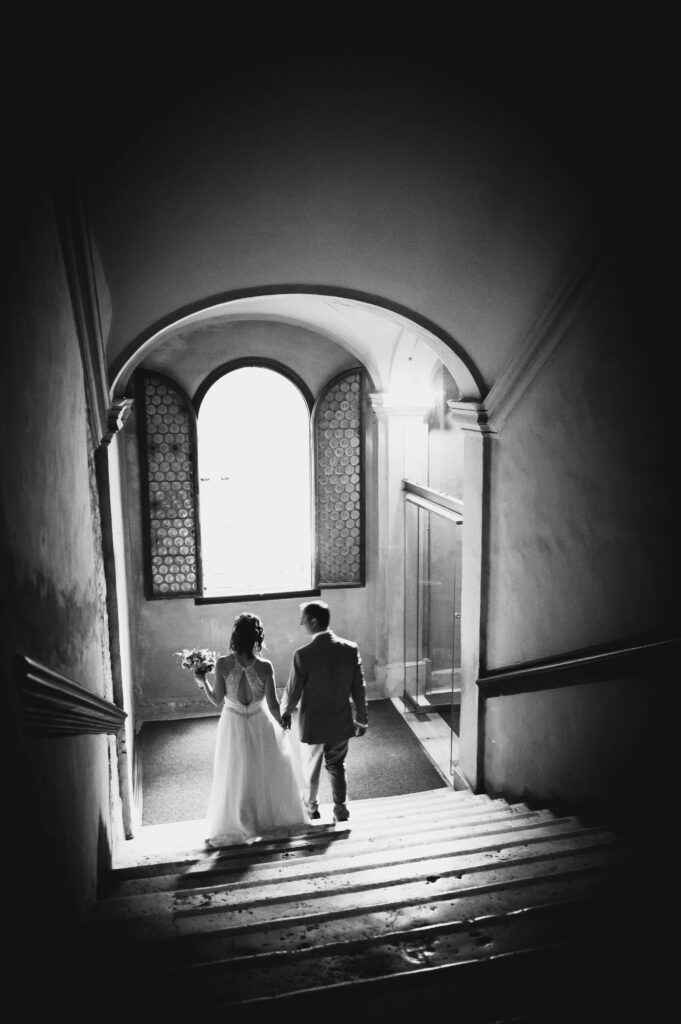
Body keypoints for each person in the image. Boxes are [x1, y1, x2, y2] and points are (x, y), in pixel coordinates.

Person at [194, 612, 307, 846]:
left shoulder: (224, 664)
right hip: (259, 721)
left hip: (233, 722)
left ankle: (238, 819)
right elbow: (274, 705)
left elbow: (217, 700)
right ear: (257, 637)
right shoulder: (265, 666)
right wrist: (283, 721)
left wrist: (201, 680)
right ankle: (264, 818)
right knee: (262, 770)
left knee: (234, 770)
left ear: (235, 636)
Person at [280, 600, 368, 823]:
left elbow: (292, 691)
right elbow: (359, 685)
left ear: (314, 621)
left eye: (303, 618)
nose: (300, 622)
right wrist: (362, 718)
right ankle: (341, 809)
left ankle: (312, 808)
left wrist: (285, 712)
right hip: (341, 720)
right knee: (337, 765)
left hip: (313, 723)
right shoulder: (350, 648)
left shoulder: (303, 654)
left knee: (310, 767)